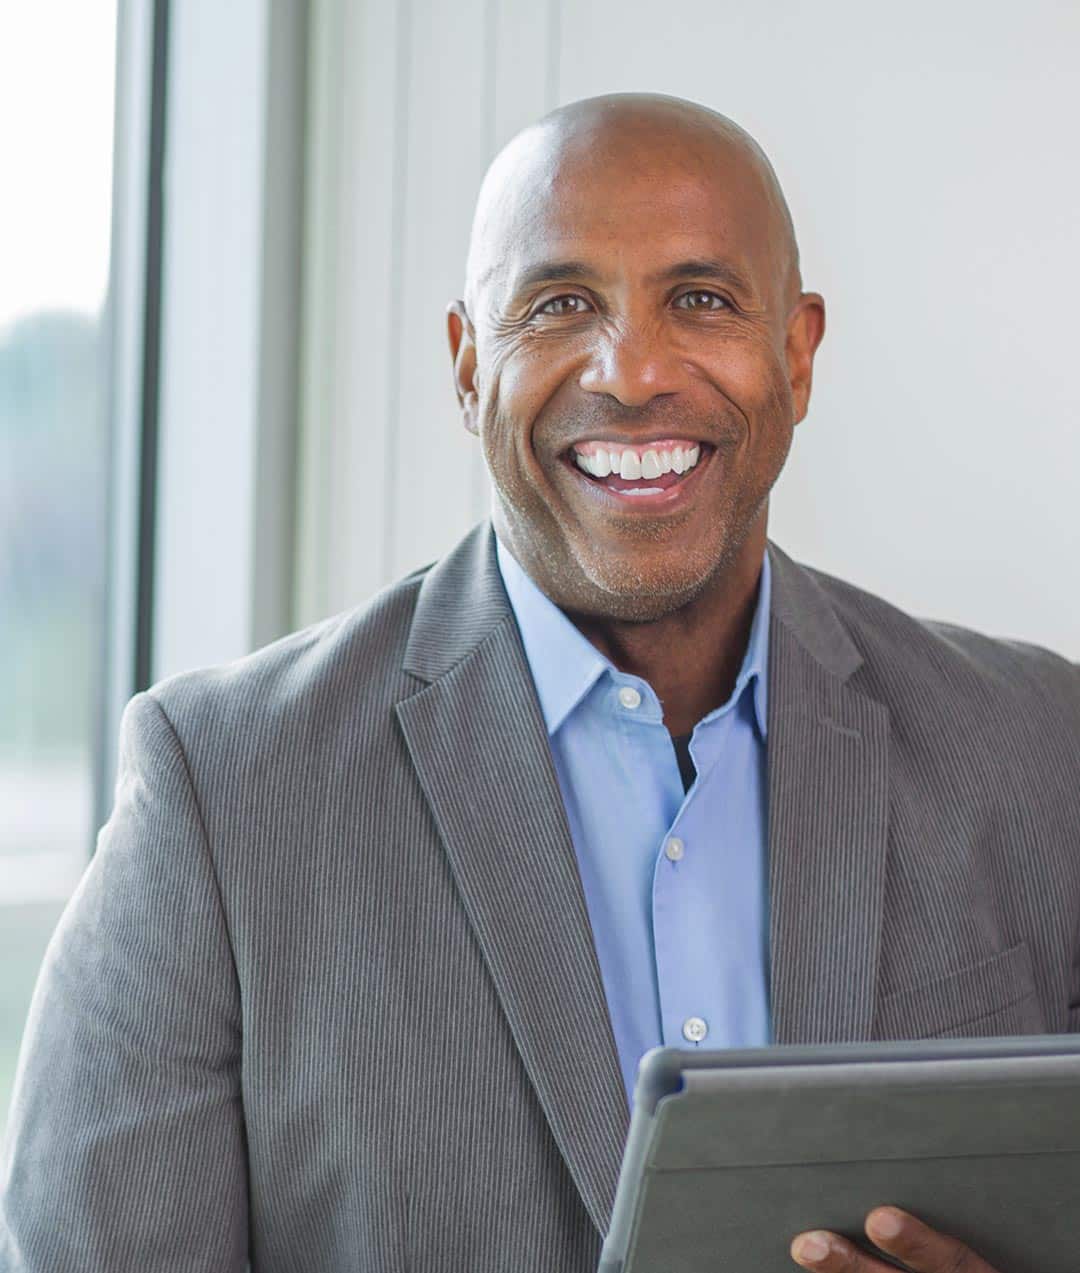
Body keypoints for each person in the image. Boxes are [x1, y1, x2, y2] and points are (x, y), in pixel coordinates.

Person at [2, 93, 1077, 1273]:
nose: (633, 373)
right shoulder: (219, 794)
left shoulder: (1037, 750)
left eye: (703, 300)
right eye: (562, 305)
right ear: (469, 366)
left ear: (798, 352)